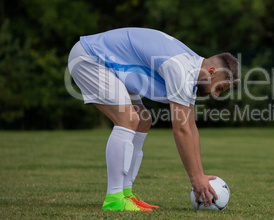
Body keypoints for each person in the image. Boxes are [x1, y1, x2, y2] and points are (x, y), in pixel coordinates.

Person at [67, 27, 240, 212]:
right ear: (212, 71)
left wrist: (201, 174)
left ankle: (126, 194)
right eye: (219, 88)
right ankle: (114, 198)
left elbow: (190, 127)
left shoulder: (192, 70)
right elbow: (180, 130)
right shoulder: (181, 69)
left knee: (143, 120)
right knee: (128, 119)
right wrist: (195, 178)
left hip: (107, 61)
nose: (216, 94)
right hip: (90, 58)